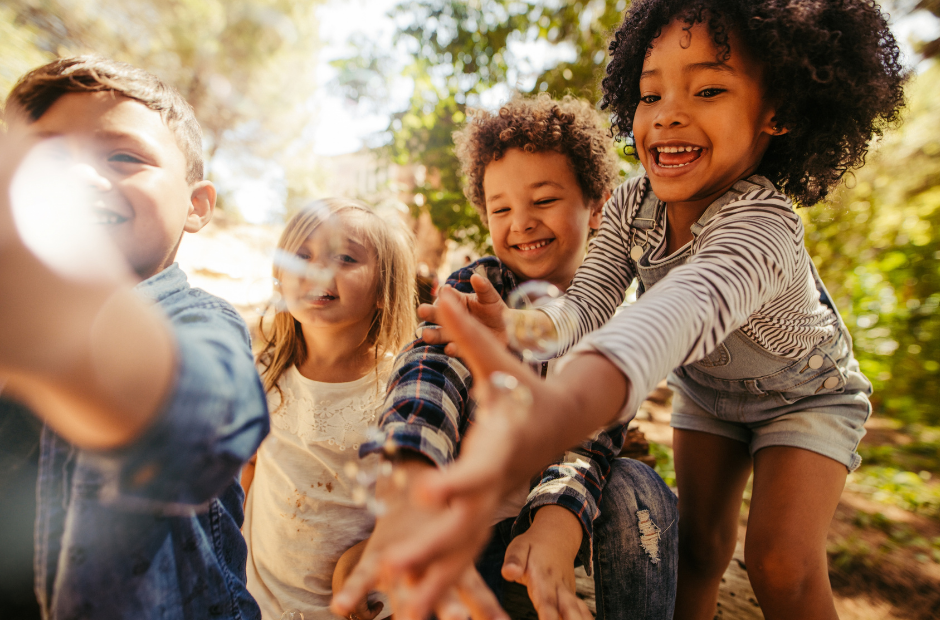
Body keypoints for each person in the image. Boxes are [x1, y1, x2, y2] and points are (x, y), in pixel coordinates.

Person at [338, 1, 909, 619]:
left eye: (709, 89)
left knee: (780, 564)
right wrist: (519, 327)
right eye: (650, 93)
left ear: (777, 112)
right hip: (710, 394)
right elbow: (587, 302)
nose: (668, 116)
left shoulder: (761, 227)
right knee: (698, 551)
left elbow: (676, 313)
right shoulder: (633, 205)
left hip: (805, 393)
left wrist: (563, 407)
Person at [335, 95, 678, 620]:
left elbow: (591, 442)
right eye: (501, 209)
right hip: (460, 518)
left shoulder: (612, 316)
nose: (520, 223)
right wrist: (410, 481)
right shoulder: (479, 286)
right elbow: (428, 376)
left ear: (598, 205)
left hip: (547, 525)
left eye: (543, 201)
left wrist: (556, 523)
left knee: (642, 490)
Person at [0, 57, 269, 619]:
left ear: (196, 206)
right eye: (45, 157)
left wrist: (64, 336)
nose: (76, 177)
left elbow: (212, 428)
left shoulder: (201, 318)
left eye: (123, 157)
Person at [240, 199, 417, 619]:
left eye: (345, 257)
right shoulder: (264, 372)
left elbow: (418, 497)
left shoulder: (401, 385)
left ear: (383, 289)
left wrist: (373, 552)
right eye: (302, 255)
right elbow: (247, 469)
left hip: (363, 604)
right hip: (262, 599)